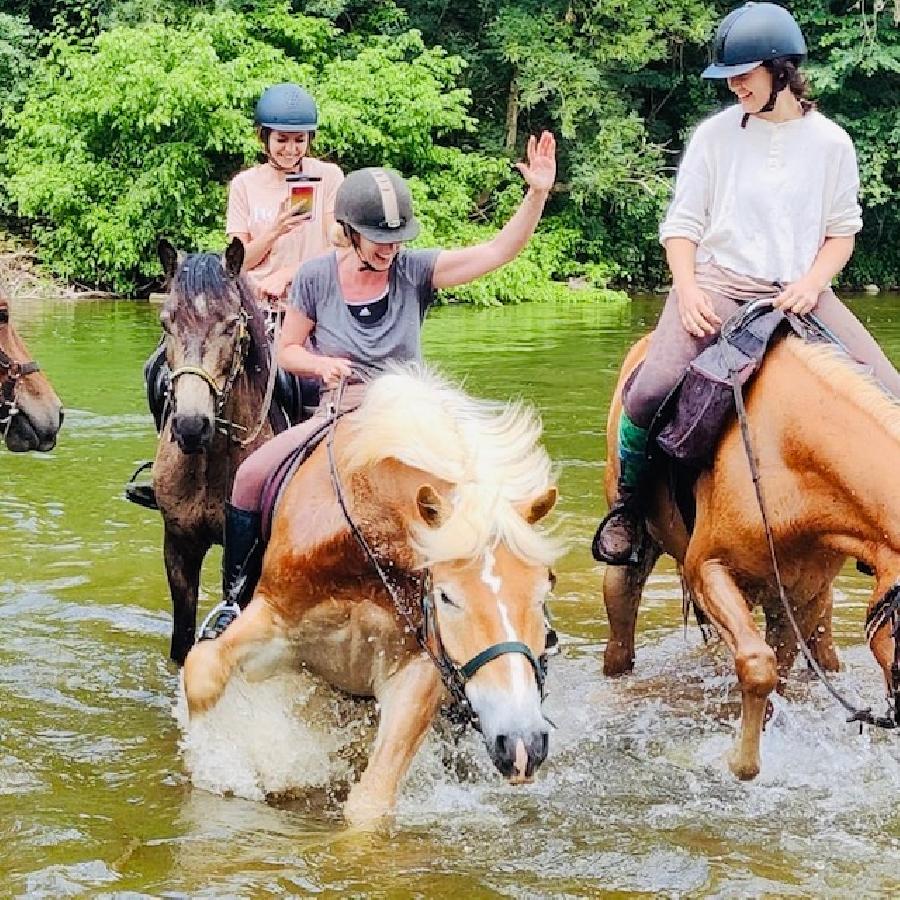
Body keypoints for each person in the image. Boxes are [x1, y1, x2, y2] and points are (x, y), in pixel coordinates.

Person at [198, 132, 558, 640]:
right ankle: (235, 602)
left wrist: (537, 194)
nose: (390, 249)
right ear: (348, 232)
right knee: (251, 477)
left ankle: (523, 610)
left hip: (414, 414)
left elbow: (498, 251)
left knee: (490, 486)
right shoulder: (318, 276)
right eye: (379, 239)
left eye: (396, 239)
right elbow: (289, 350)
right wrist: (320, 367)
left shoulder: (416, 270)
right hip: (342, 408)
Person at [591, 1, 900, 567]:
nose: (734, 86)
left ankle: (882, 527)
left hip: (800, 293)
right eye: (730, 76)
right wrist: (686, 290)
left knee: (891, 395)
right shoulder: (715, 138)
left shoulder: (833, 144)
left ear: (780, 69)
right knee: (649, 389)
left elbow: (841, 235)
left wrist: (812, 283)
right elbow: (681, 229)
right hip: (718, 283)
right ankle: (630, 509)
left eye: (743, 74)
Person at [226, 82, 344, 309]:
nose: (290, 150)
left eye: (299, 140)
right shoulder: (244, 185)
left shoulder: (328, 176)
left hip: (315, 303)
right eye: (282, 140)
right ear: (265, 137)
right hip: (259, 308)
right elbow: (237, 264)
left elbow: (339, 247)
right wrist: (276, 229)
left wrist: (288, 274)